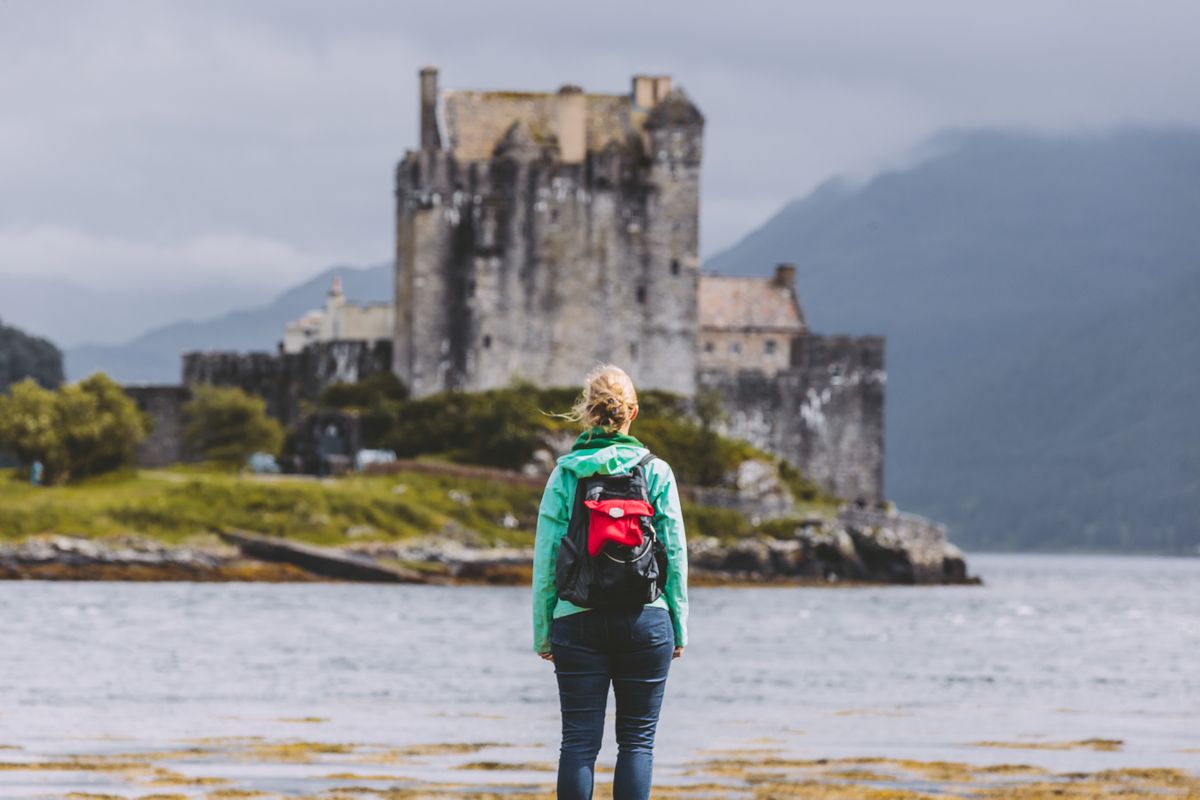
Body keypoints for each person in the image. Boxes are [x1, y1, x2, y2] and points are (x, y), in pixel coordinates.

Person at [532, 364, 689, 800]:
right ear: (632, 412)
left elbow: (546, 559)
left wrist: (544, 630)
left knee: (578, 743)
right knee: (637, 742)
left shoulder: (566, 474)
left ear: (588, 412)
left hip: (576, 620)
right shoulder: (656, 471)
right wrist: (679, 626)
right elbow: (675, 553)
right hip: (647, 620)